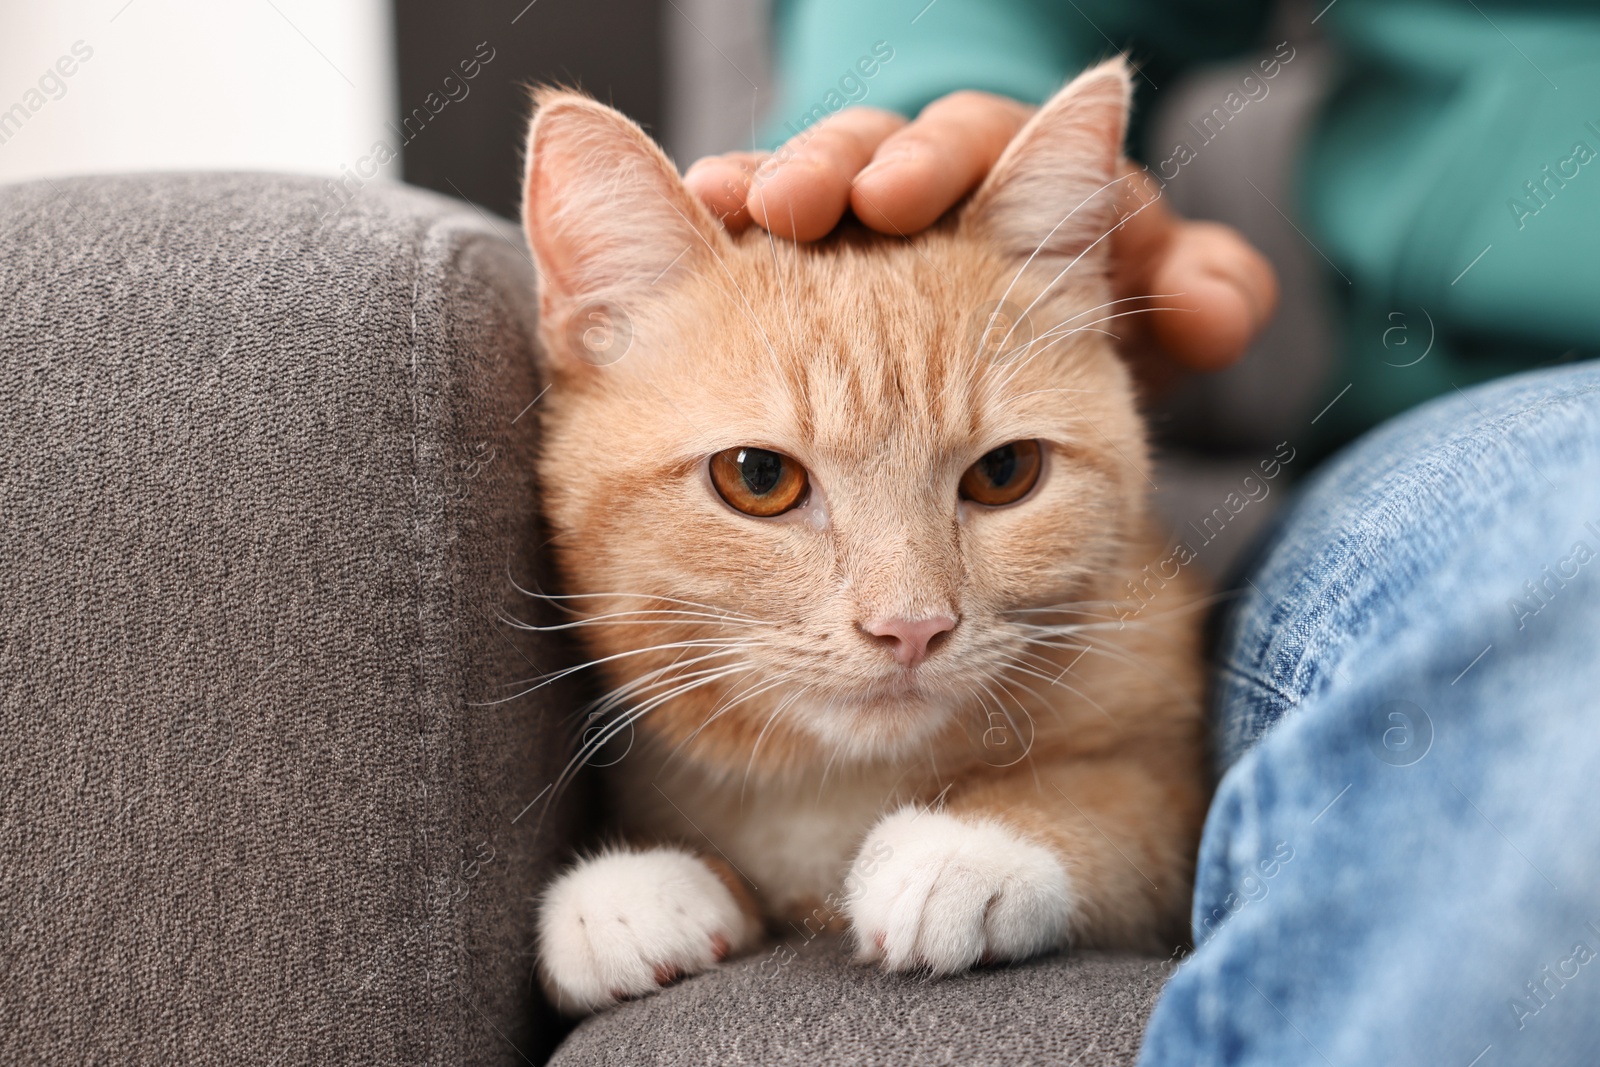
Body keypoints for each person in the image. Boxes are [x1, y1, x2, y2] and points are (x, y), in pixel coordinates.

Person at [683, 1, 1600, 1063]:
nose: (906, 609)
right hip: (1526, 423)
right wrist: (928, 146)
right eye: (760, 479)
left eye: (999, 471)